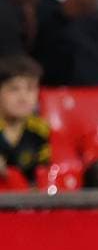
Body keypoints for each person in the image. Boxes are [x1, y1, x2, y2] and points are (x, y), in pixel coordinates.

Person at [0, 52, 51, 189]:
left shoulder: (40, 131)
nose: (23, 98)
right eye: (14, 89)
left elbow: (40, 176)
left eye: (30, 89)